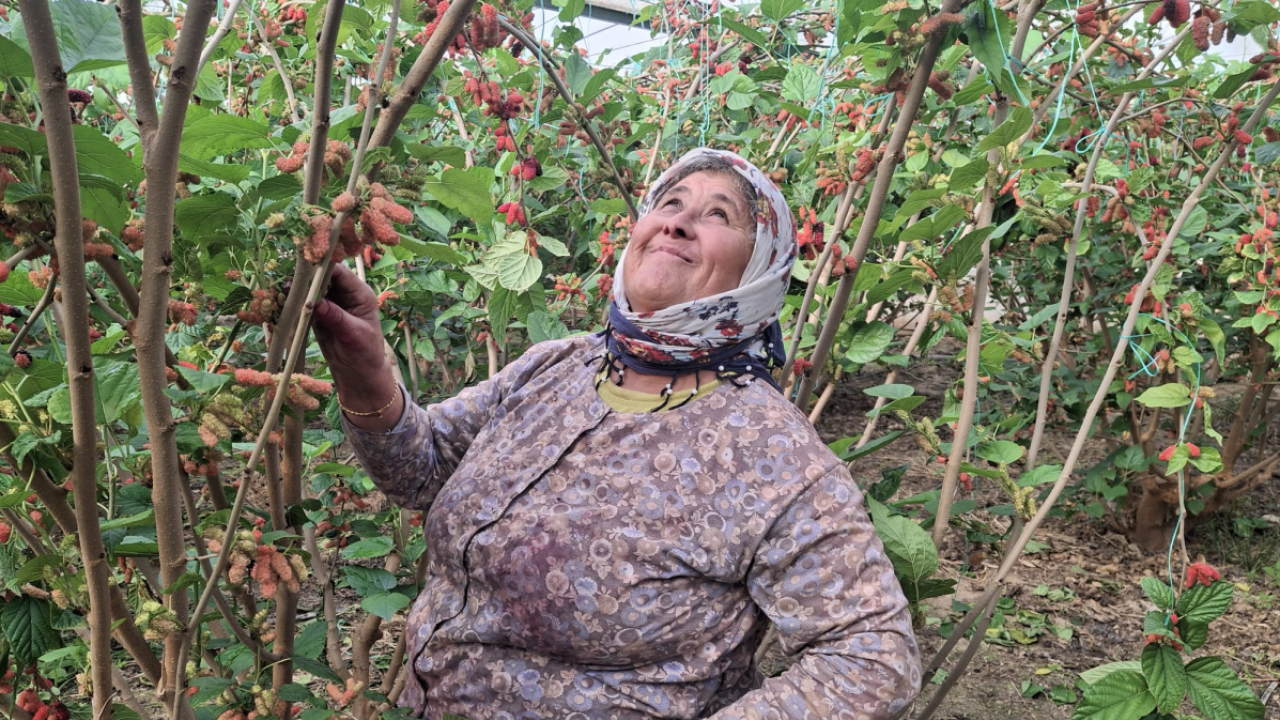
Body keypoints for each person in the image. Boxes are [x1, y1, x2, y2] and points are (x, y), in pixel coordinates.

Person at [314, 148, 922, 719]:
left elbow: (873, 660)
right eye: (670, 203)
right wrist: (363, 370)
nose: (679, 224)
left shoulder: (771, 454)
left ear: (761, 266)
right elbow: (421, 471)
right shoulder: (558, 366)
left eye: (718, 215)